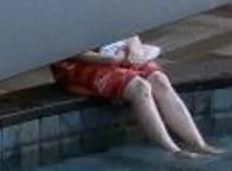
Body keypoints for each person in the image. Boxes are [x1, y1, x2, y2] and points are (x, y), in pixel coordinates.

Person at [51, 36, 217, 157]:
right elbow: (64, 48)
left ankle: (198, 144)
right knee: (140, 87)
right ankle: (173, 151)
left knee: (160, 80)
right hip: (80, 64)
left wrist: (134, 48)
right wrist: (108, 60)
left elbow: (130, 32)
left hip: (117, 54)